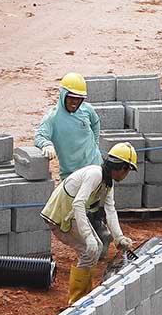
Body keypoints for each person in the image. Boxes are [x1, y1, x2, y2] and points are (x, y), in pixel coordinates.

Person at [41, 142, 137, 304]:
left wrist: (119, 238)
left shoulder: (107, 182)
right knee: (89, 249)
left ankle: (85, 298)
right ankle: (76, 302)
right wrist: (88, 236)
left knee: (96, 248)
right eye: (128, 170)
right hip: (58, 216)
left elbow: (110, 210)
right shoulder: (95, 174)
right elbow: (78, 203)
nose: (127, 174)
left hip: (69, 215)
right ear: (122, 167)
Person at [34, 72, 111, 251]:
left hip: (95, 167)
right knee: (77, 212)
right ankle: (89, 246)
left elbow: (95, 123)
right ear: (63, 96)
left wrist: (95, 143)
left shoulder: (87, 110)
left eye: (78, 99)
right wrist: (46, 144)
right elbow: (39, 135)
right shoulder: (53, 118)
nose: (75, 103)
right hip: (73, 175)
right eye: (71, 98)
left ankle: (100, 236)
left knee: (96, 208)